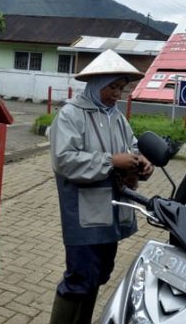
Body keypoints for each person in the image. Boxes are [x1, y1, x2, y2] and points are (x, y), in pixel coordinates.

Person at [48, 49, 154, 324]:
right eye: (112, 87)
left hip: (112, 212)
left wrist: (140, 162)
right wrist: (111, 161)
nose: (117, 94)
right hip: (83, 214)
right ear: (95, 84)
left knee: (99, 273)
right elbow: (64, 161)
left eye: (121, 88)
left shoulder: (116, 117)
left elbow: (130, 147)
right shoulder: (71, 114)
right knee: (79, 277)